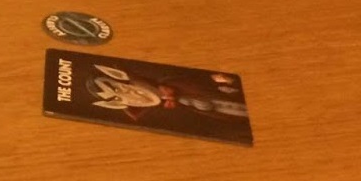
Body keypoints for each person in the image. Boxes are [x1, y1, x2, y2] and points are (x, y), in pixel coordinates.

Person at [87, 64, 248, 121]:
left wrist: (229, 81)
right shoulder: (168, 107)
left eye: (126, 89)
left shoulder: (173, 81)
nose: (133, 96)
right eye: (121, 98)